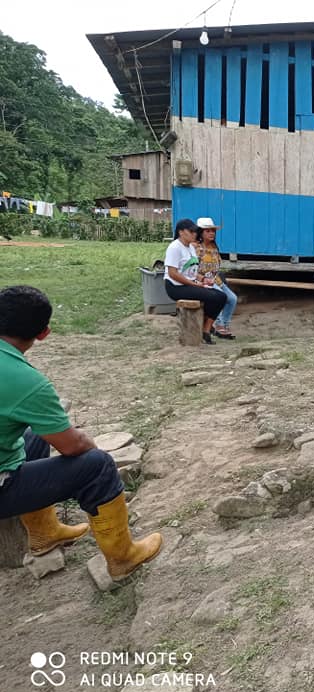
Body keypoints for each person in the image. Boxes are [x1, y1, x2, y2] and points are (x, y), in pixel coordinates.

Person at [0, 286, 162, 579]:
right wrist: (89, 445)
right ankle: (123, 558)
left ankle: (45, 533)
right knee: (97, 466)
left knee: (34, 434)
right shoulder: (26, 382)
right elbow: (73, 446)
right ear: (44, 333)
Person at [164, 218, 227, 345]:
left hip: (189, 284)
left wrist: (203, 279)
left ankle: (206, 329)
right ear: (181, 232)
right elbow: (173, 273)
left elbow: (191, 271)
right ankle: (203, 331)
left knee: (221, 297)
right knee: (213, 297)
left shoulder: (191, 248)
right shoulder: (174, 247)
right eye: (191, 231)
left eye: (195, 232)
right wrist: (194, 284)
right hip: (175, 287)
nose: (194, 234)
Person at [195, 217, 238, 339]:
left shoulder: (214, 247)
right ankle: (218, 325)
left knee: (232, 298)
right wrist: (203, 279)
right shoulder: (196, 248)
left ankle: (223, 324)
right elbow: (192, 269)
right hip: (203, 281)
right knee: (220, 297)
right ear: (201, 232)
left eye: (213, 231)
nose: (211, 233)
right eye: (208, 231)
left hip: (215, 280)